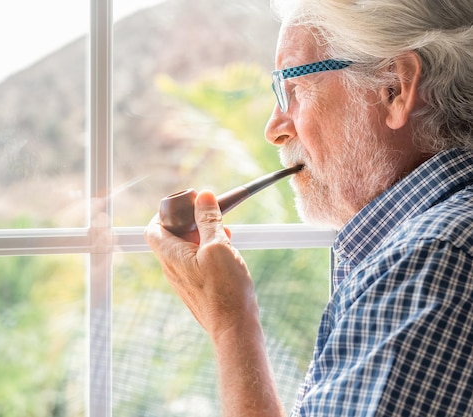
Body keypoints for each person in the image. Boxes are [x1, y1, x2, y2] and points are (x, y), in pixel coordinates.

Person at [144, 0, 473, 415]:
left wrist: (231, 325)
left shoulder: (430, 263)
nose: (274, 129)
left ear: (395, 88)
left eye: (293, 88)